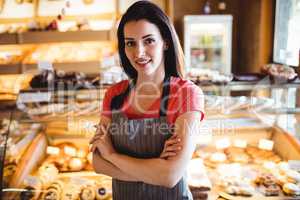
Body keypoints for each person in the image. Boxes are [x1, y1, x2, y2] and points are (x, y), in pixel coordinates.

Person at [90, 1, 205, 199]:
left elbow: (170, 176)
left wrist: (113, 156)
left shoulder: (186, 94)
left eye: (148, 40)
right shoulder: (114, 95)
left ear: (165, 42)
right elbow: (98, 163)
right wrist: (154, 169)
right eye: (130, 43)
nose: (139, 52)